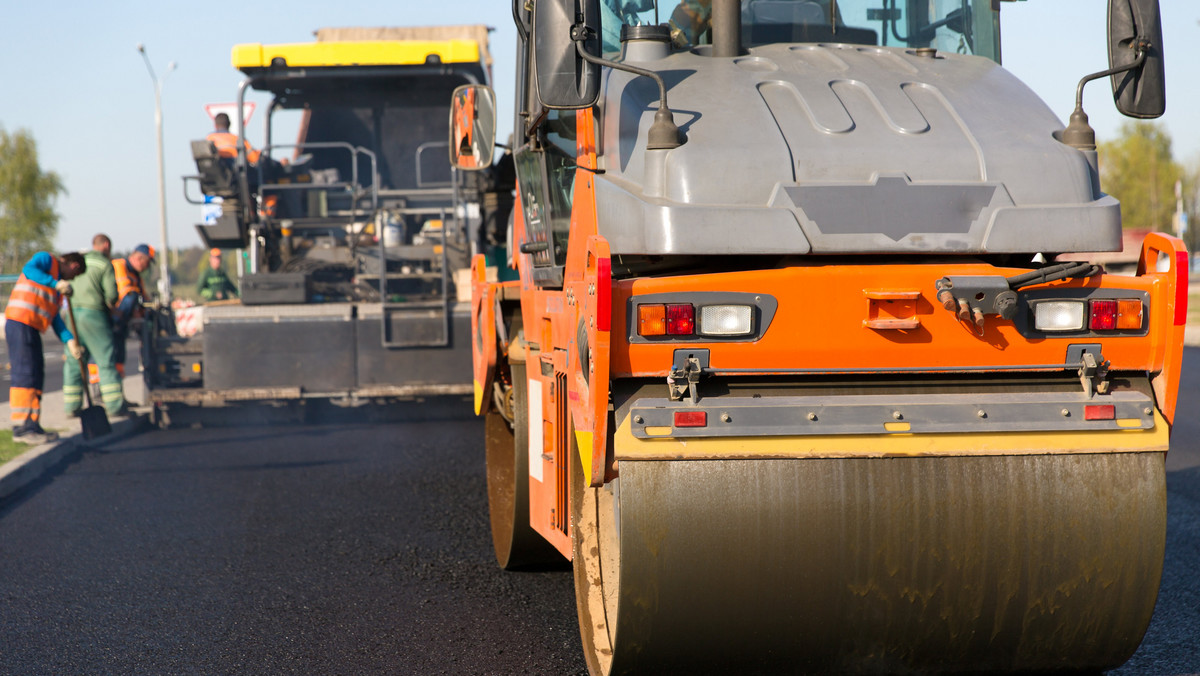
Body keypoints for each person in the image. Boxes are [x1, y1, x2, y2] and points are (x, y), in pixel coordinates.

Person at [4, 251, 86, 443]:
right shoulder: (46, 260)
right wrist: (55, 283)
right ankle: (22, 428)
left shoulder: (56, 289)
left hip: (31, 327)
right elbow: (28, 269)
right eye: (74, 276)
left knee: (36, 374)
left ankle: (32, 423)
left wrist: (70, 340)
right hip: (20, 322)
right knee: (25, 373)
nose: (71, 279)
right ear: (74, 266)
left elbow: (55, 319)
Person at [64, 235, 126, 417]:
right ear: (106, 246)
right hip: (95, 315)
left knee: (74, 360)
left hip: (72, 315)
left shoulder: (79, 262)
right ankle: (114, 405)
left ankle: (71, 406)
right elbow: (112, 296)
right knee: (105, 361)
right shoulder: (104, 264)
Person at [111, 244, 154, 377]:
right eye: (147, 263)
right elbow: (126, 292)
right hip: (114, 316)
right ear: (140, 258)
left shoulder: (136, 276)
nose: (147, 267)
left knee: (120, 354)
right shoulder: (119, 265)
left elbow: (144, 297)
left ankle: (117, 388)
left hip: (122, 322)